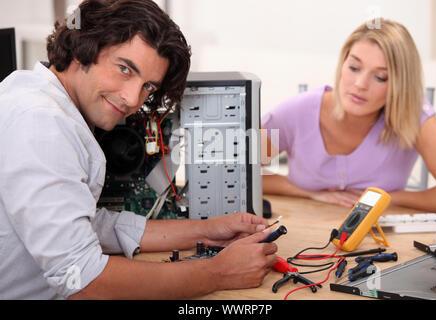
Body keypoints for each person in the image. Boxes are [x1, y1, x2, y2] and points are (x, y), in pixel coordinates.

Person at [0, 0, 277, 300]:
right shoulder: (40, 121)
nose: (133, 99)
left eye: (148, 87)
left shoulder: (44, 103)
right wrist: (218, 272)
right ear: (83, 49)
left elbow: (88, 225)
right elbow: (82, 279)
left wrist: (206, 230)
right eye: (124, 69)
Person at [262, 19, 436, 212]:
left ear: (400, 85)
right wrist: (306, 192)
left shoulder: (413, 114)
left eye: (380, 77)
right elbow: (234, 173)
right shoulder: (297, 112)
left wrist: (388, 199)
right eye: (354, 67)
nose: (360, 84)